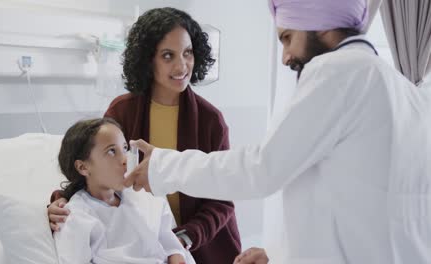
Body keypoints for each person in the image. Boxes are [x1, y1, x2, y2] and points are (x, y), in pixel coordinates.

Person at [124, 0, 431, 264]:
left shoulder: (339, 71)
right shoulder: (399, 87)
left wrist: (163, 165)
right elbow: (351, 208)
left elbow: (262, 169)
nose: (285, 57)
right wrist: (280, 255)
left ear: (321, 26)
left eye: (287, 38)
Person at [48, 7, 241, 263]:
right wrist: (61, 202)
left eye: (188, 53)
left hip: (200, 245)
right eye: (168, 56)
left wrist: (181, 239)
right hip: (142, 239)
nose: (182, 65)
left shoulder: (210, 121)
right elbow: (96, 166)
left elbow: (222, 201)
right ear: (148, 60)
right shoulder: (122, 111)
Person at [53, 118, 192, 264]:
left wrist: (177, 256)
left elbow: (168, 241)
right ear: (83, 167)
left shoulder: (143, 198)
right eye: (112, 151)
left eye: (124, 148)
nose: (125, 159)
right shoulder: (76, 217)